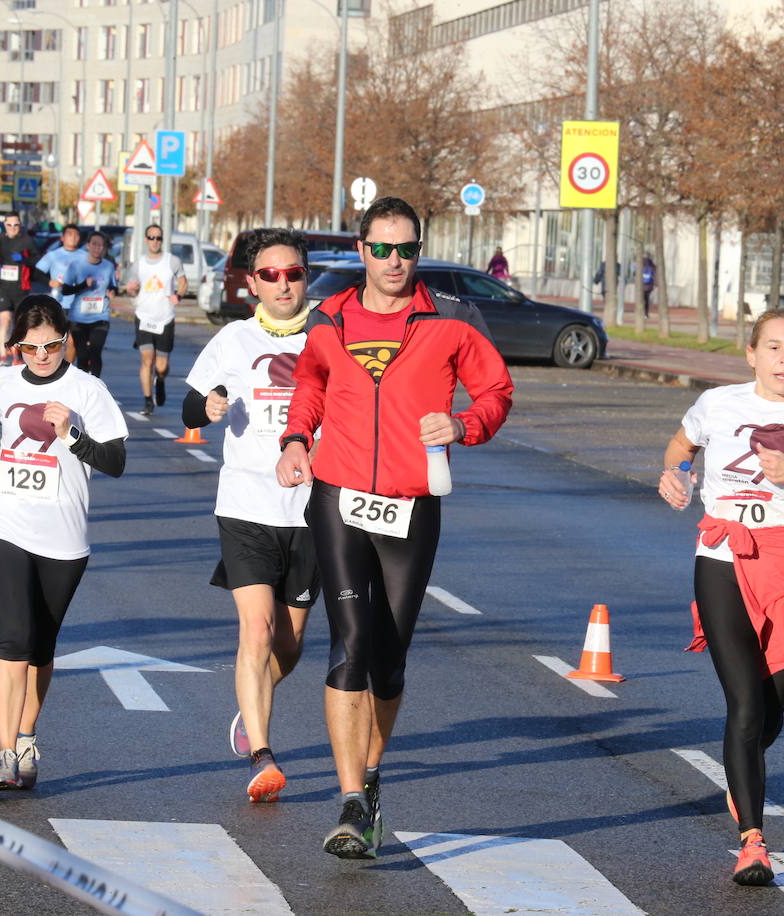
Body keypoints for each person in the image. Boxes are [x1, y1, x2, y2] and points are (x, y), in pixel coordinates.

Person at [275, 197, 514, 859]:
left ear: (418, 251)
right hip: (340, 492)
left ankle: (372, 774)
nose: (393, 261)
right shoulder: (330, 317)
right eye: (381, 248)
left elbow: (496, 392)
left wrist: (464, 424)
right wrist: (297, 438)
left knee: (389, 655)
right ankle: (352, 799)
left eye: (405, 249)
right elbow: (311, 383)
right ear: (361, 250)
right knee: (349, 642)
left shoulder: (451, 320)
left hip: (412, 502)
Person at [659, 306, 784, 886]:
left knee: (768, 715)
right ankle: (753, 841)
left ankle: (738, 771)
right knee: (745, 707)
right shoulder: (719, 404)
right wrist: (675, 475)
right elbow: (679, 446)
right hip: (723, 557)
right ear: (752, 353)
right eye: (773, 348)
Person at [0, 294, 128, 790]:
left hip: (63, 536)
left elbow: (115, 462)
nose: (40, 356)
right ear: (16, 345)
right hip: (3, 523)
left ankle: (26, 737)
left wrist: (71, 433)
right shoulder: (0, 380)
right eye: (30, 347)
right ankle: (3, 755)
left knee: (40, 646)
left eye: (51, 345)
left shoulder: (88, 390)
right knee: (14, 638)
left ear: (67, 342)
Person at [183, 228, 317, 804]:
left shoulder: (330, 337)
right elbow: (189, 403)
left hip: (314, 510)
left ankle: (251, 705)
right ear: (252, 282)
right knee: (256, 630)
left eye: (292, 273)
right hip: (245, 505)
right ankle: (262, 754)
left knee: (287, 646)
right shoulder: (233, 340)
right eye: (270, 274)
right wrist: (206, 407)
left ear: (304, 277)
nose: (282, 283)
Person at [125, 224, 187, 415]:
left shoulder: (172, 261)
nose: (155, 241)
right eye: (151, 237)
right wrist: (132, 289)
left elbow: (183, 282)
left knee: (161, 366)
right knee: (146, 359)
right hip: (143, 317)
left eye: (158, 238)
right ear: (146, 240)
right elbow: (132, 286)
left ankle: (160, 380)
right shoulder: (139, 264)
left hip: (165, 318)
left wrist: (179, 295)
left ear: (162, 240)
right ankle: (147, 401)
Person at [60, 231, 117, 377]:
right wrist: (83, 285)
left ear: (104, 248)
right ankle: (84, 386)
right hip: (79, 318)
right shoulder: (76, 266)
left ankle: (96, 385)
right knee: (83, 355)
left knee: (96, 351)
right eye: (94, 244)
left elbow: (113, 286)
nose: (97, 248)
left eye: (101, 245)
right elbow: (65, 290)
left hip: (100, 316)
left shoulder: (109, 266)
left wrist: (112, 292)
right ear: (88, 245)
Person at [0, 212, 41, 367]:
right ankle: (3, 355)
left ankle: (17, 354)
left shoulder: (27, 241)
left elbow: (38, 258)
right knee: (4, 320)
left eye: (16, 225)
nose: (13, 228)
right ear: (4, 226)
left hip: (21, 288)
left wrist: (24, 260)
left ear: (20, 226)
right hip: (4, 287)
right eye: (9, 225)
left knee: (19, 323)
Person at [35, 224, 87, 363]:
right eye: (70, 235)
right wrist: (49, 281)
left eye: (76, 235)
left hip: (79, 304)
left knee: (71, 340)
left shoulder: (85, 256)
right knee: (57, 340)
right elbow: (37, 273)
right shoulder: (54, 255)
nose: (73, 238)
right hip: (58, 303)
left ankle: (67, 370)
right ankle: (55, 367)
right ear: (63, 238)